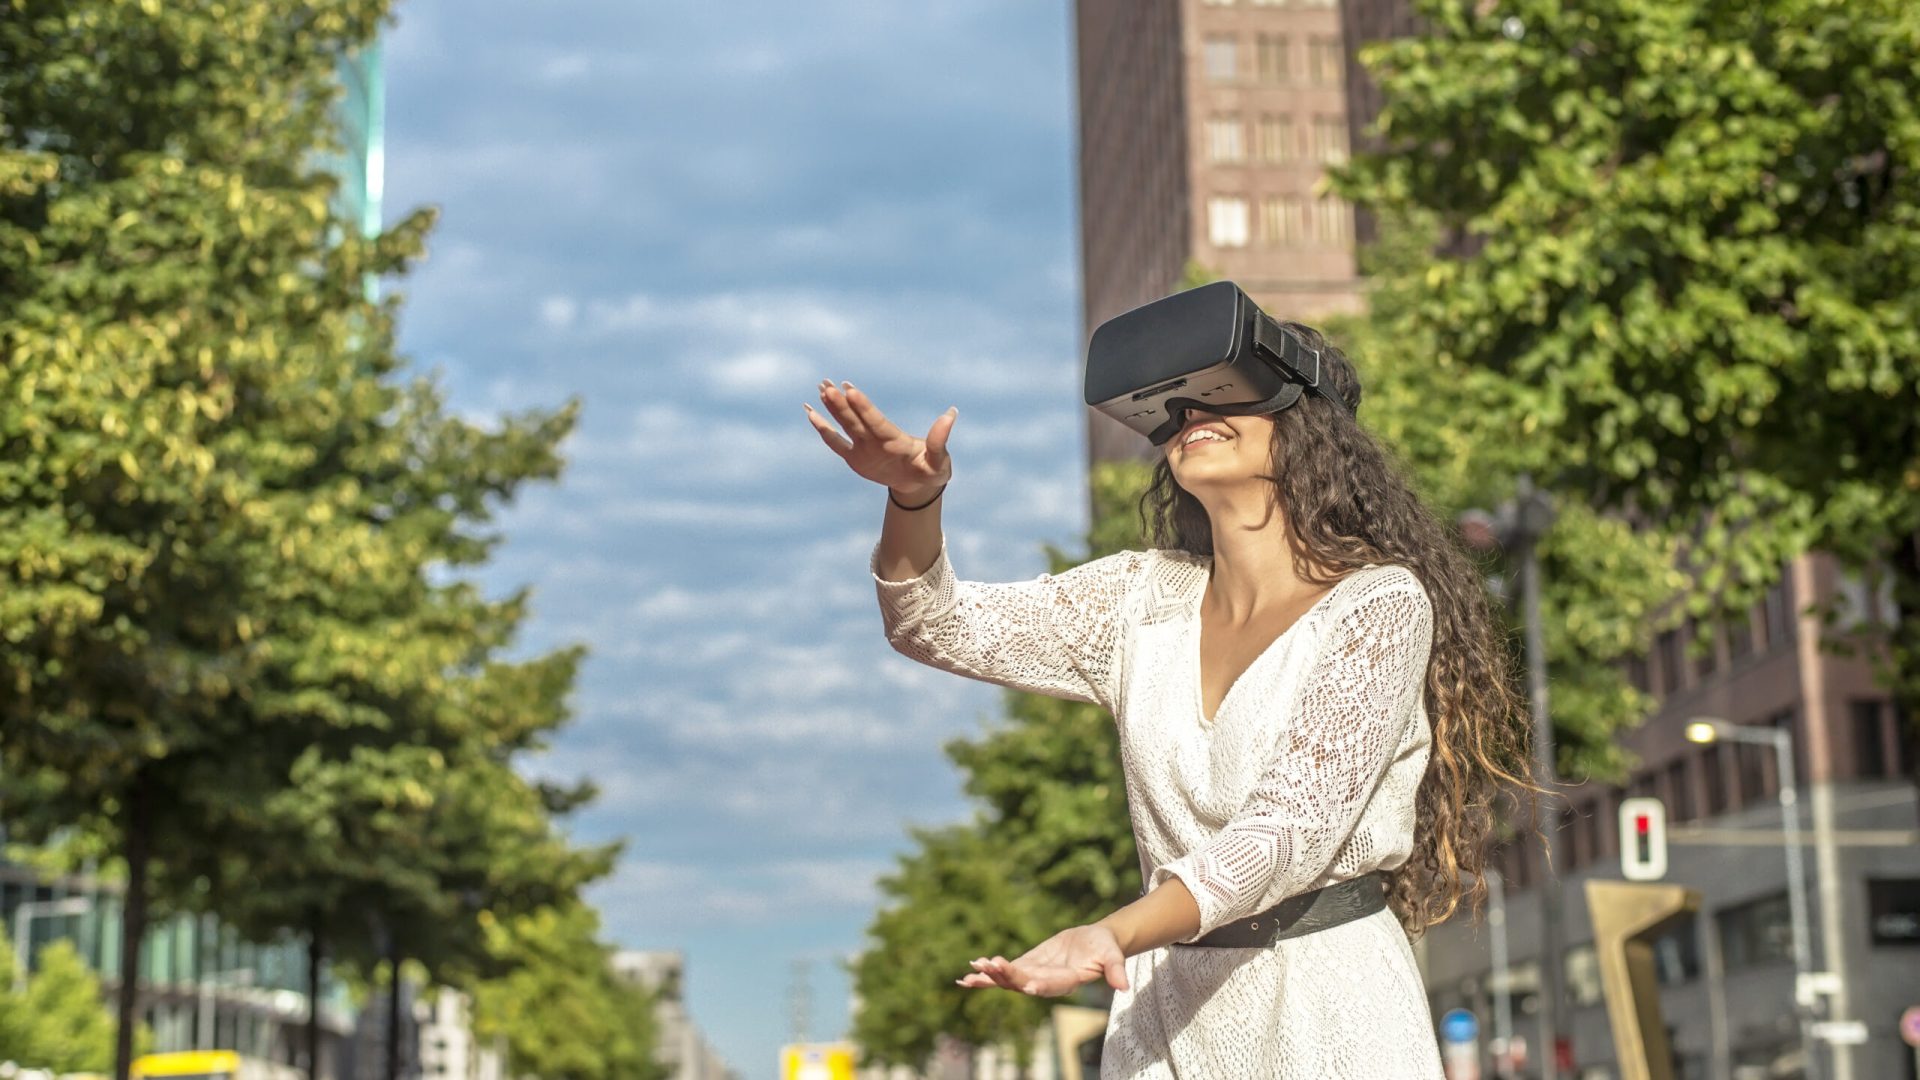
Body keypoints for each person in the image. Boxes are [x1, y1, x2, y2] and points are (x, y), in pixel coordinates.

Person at [804, 325, 1531, 1078]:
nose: (1190, 413)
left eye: (1224, 390)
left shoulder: (1377, 605)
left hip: (1326, 1004)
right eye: (1174, 405)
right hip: (1164, 1016)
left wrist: (1115, 932)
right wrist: (914, 497)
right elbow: (933, 624)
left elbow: (1290, 830)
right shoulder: (1139, 599)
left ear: (1308, 418)